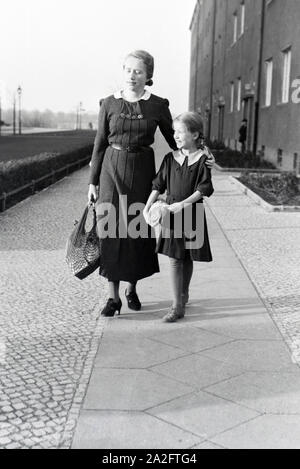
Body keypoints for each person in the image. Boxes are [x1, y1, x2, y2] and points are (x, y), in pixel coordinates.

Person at [88, 50, 214, 317]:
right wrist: (92, 182)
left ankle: (131, 289)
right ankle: (113, 298)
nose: (132, 76)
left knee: (136, 231)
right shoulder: (108, 104)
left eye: (138, 71)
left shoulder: (157, 105)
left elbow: (176, 139)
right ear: (122, 72)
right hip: (111, 169)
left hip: (142, 171)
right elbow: (99, 144)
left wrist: (202, 154)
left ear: (148, 76)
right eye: (128, 70)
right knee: (111, 231)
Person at [143, 112, 214, 323]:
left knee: (187, 257)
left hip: (192, 213)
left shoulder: (203, 160)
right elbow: (158, 185)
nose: (176, 136)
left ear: (194, 134)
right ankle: (176, 306)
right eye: (174, 132)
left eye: (180, 132)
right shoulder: (169, 158)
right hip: (171, 217)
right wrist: (147, 208)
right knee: (174, 259)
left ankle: (184, 294)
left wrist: (182, 205)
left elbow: (204, 188)